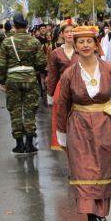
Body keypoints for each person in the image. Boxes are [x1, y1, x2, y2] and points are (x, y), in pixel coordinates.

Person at [56, 26, 111, 221]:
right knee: (83, 170)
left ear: (95, 44)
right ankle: (91, 217)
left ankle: (100, 214)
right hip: (79, 126)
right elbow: (62, 105)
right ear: (75, 46)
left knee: (102, 170)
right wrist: (61, 133)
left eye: (89, 41)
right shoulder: (69, 73)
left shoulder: (109, 68)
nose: (85, 45)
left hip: (104, 125)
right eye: (80, 42)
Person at [0, 13, 47, 155]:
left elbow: (1, 65)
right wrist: (33, 69)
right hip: (30, 79)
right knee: (30, 110)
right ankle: (30, 144)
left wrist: (1, 80)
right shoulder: (34, 42)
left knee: (15, 111)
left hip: (12, 80)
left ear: (14, 25)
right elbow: (42, 62)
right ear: (26, 26)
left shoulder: (7, 42)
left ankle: (19, 144)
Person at [46, 20, 78, 151]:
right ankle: (66, 145)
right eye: (67, 32)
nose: (70, 34)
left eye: (72, 31)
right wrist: (50, 95)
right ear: (62, 34)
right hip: (62, 88)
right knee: (63, 117)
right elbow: (52, 75)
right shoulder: (56, 52)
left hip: (80, 87)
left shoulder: (82, 49)